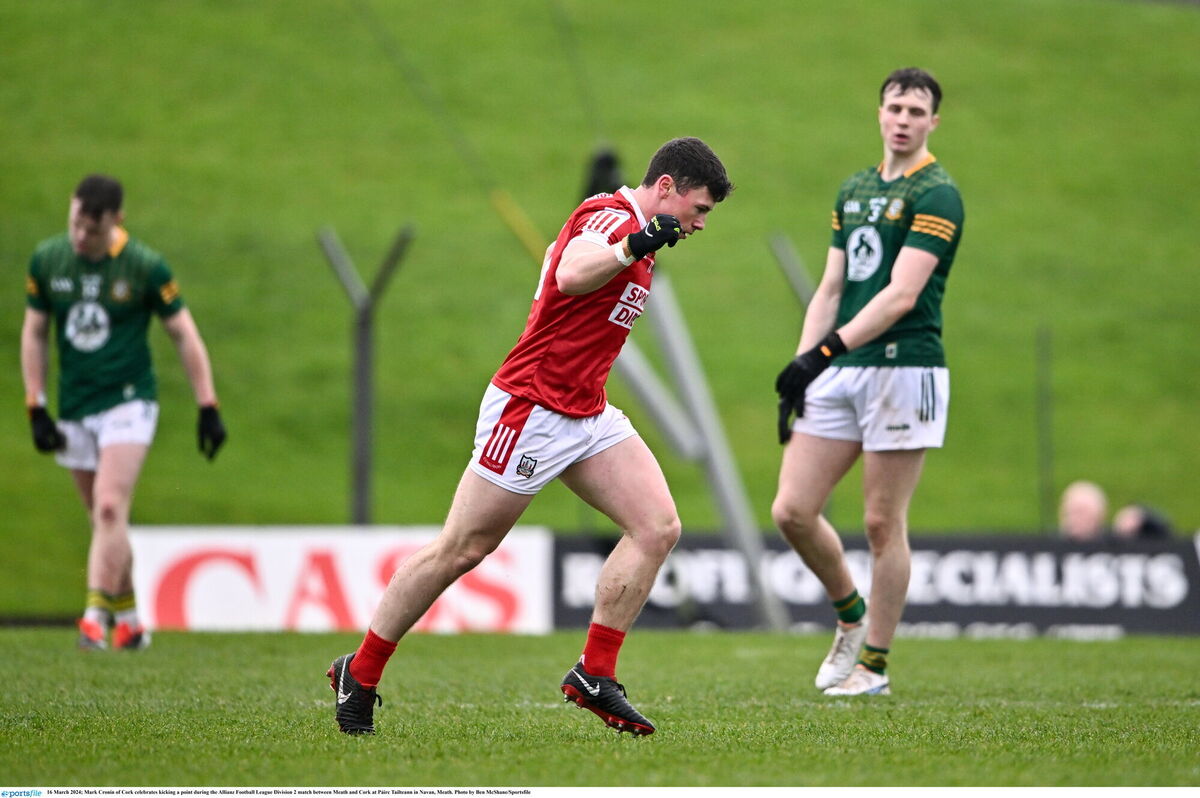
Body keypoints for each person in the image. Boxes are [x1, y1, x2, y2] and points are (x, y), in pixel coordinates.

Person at [327, 137, 733, 736]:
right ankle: (357, 673)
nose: (700, 224)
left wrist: (633, 247)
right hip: (531, 408)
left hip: (586, 413)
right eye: (698, 209)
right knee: (461, 549)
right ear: (667, 187)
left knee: (658, 526)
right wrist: (633, 244)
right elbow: (570, 274)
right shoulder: (614, 219)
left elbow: (557, 262)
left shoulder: (636, 232)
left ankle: (596, 673)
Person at [771, 68, 964, 697]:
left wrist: (820, 352)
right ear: (878, 113)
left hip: (904, 369)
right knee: (793, 511)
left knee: (883, 523)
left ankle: (873, 666)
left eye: (916, 109)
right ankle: (850, 614)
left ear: (934, 121)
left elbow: (900, 296)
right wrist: (801, 369)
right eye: (894, 107)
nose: (903, 118)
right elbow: (831, 289)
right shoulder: (853, 189)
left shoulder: (938, 193)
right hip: (841, 367)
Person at [21, 174, 226, 651]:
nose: (81, 236)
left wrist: (207, 403)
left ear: (117, 221)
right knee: (103, 521)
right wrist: (36, 404)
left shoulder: (144, 267)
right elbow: (34, 333)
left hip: (130, 400)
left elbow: (184, 335)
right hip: (74, 404)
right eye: (75, 223)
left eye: (92, 229)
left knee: (111, 506)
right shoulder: (48, 260)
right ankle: (130, 619)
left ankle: (94, 617)